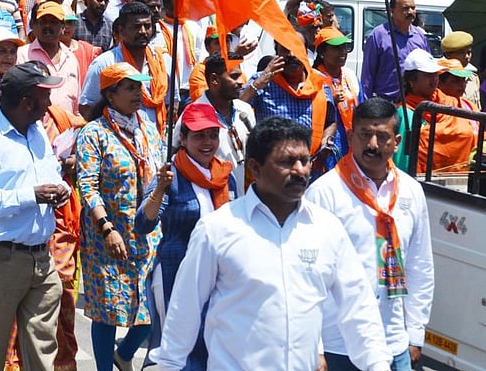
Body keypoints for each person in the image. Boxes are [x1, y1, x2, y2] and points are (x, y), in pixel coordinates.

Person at [155, 117, 393, 371]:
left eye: (305, 160)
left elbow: (358, 307)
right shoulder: (218, 229)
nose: (300, 170)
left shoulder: (327, 229)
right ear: (255, 168)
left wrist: (378, 365)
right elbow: (185, 310)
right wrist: (169, 365)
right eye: (287, 162)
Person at [306, 98, 434, 371]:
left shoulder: (411, 191)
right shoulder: (324, 193)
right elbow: (307, 276)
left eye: (383, 136)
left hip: (393, 341)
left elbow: (419, 265)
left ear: (397, 142)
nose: (373, 144)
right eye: (365, 135)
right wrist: (314, 347)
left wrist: (415, 332)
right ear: (351, 136)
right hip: (338, 344)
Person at [0, 62, 69, 371]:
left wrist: (62, 189)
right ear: (26, 102)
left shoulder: (38, 133)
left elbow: (52, 173)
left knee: (42, 352)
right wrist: (30, 195)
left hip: (41, 260)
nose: (50, 104)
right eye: (45, 96)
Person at [135, 102, 237, 368]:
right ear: (183, 138)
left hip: (217, 277)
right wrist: (160, 190)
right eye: (199, 136)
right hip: (175, 273)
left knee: (210, 345)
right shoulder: (171, 175)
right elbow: (142, 224)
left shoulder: (225, 176)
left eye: (213, 135)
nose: (208, 142)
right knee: (173, 349)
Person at [77, 63, 163, 371]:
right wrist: (106, 227)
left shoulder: (149, 131)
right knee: (107, 308)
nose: (137, 94)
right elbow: (87, 185)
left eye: (139, 87)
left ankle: (123, 354)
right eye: (129, 88)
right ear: (110, 95)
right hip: (108, 236)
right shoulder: (94, 134)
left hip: (147, 233)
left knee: (151, 308)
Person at [243, 42, 339, 178]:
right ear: (277, 52)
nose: (292, 55)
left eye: (297, 49)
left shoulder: (320, 82)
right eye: (286, 50)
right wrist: (261, 81)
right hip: (273, 171)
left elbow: (330, 121)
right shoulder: (263, 80)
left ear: (306, 53)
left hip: (310, 170)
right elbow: (236, 108)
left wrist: (326, 140)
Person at [81, 2, 170, 131]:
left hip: (155, 141)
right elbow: (86, 107)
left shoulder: (164, 61)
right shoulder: (104, 63)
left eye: (147, 26)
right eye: (136, 27)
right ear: (121, 31)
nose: (143, 31)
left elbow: (170, 104)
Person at [394, 49, 476, 175]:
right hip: (424, 182)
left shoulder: (452, 103)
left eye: (435, 74)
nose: (434, 79)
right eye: (428, 75)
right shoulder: (405, 113)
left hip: (459, 179)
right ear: (412, 81)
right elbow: (402, 161)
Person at [193, 53, 256, 193]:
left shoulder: (245, 110)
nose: (241, 82)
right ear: (215, 80)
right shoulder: (194, 116)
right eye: (234, 77)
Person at [361, 0, 429, 101]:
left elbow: (428, 70)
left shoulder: (420, 37)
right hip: (386, 103)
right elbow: (368, 75)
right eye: (405, 9)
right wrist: (365, 105)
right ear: (392, 10)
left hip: (413, 104)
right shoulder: (378, 36)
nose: (411, 12)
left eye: (413, 8)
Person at [313, 26, 365, 171]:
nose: (342, 53)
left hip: (351, 144)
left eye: (344, 48)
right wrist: (327, 101)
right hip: (326, 147)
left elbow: (362, 106)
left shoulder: (350, 76)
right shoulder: (314, 78)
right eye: (336, 48)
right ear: (322, 53)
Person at [19, 1, 81, 115]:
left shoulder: (71, 58)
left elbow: (76, 104)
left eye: (53, 22)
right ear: (34, 25)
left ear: (63, 26)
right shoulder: (22, 55)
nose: (48, 26)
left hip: (67, 129)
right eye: (43, 22)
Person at [440, 30, 481, 110]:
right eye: (461, 53)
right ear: (448, 54)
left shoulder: (473, 78)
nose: (466, 56)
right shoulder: (440, 76)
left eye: (469, 52)